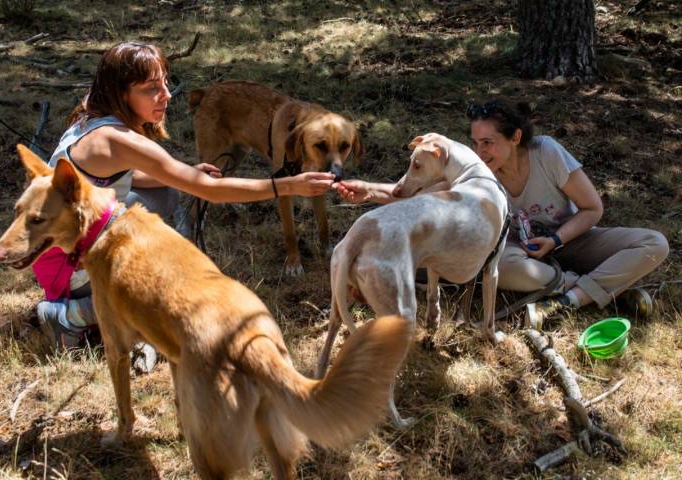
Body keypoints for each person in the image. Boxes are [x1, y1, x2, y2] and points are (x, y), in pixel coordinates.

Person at [35, 42, 334, 360]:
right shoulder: (118, 140)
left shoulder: (90, 115)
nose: (167, 94)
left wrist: (185, 174)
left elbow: (131, 176)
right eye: (151, 88)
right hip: (68, 270)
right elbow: (211, 191)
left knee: (164, 194)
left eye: (165, 81)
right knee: (176, 291)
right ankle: (70, 316)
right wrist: (287, 185)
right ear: (122, 93)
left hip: (54, 255)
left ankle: (110, 308)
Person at [334, 100, 669, 328]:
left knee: (654, 243)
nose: (480, 151)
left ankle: (569, 298)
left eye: (489, 142)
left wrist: (555, 239)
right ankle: (600, 292)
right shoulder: (473, 172)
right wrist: (368, 191)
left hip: (570, 237)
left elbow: (593, 208)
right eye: (475, 143)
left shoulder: (546, 153)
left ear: (516, 137)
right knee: (496, 268)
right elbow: (416, 198)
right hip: (515, 252)